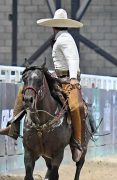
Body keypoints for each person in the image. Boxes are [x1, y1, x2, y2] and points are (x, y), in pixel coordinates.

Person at [0, 9, 85, 162]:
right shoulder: (61, 38)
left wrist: (73, 78)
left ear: (54, 26)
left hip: (68, 80)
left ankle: (77, 143)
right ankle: (13, 126)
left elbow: (72, 59)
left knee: (75, 106)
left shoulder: (64, 39)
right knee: (26, 90)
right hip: (59, 77)